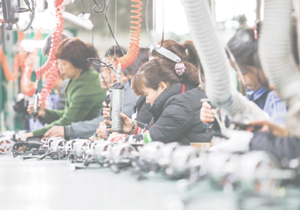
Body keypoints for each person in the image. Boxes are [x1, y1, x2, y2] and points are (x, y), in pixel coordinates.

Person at [43, 46, 139, 139]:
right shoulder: (111, 93)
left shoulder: (129, 96)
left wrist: (68, 130)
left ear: (123, 73)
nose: (102, 75)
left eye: (108, 70)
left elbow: (108, 123)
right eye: (102, 71)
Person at [200, 22, 287, 126]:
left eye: (244, 73)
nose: (240, 79)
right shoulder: (253, 94)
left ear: (264, 65)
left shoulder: (278, 97)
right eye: (237, 72)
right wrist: (214, 117)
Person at [107, 59, 209, 145]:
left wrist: (118, 139)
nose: (147, 101)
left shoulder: (181, 104)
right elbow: (161, 131)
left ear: (162, 86)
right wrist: (133, 128)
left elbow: (155, 138)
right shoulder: (183, 96)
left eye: (146, 95)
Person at [19, 38, 106, 140]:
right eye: (58, 63)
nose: (59, 68)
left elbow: (68, 120)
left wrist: (33, 135)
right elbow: (68, 112)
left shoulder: (87, 86)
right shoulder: (77, 78)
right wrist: (45, 113)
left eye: (64, 64)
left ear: (76, 62)